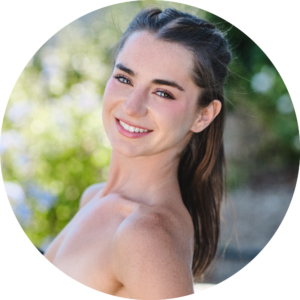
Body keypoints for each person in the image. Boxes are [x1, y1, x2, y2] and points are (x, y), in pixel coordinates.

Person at [44, 7, 231, 299]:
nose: (132, 106)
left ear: (203, 115)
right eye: (124, 78)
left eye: (163, 92)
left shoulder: (145, 234)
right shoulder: (93, 198)